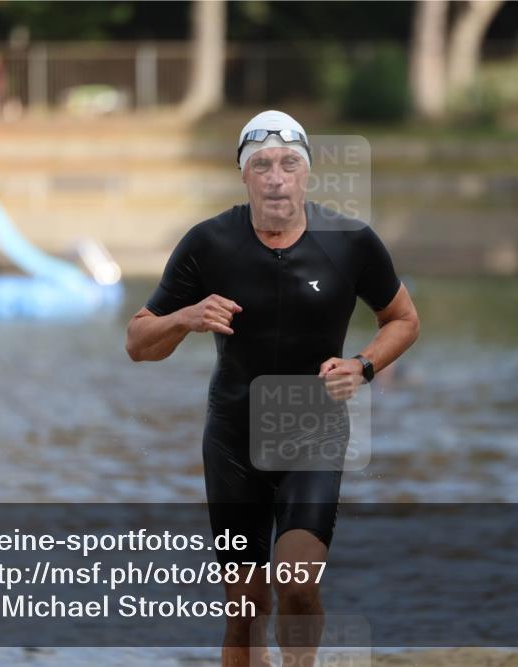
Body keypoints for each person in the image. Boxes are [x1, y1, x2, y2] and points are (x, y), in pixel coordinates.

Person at [126, 110, 419, 666]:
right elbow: (139, 342)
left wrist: (364, 365)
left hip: (314, 432)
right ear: (244, 175)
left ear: (307, 174)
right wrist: (185, 317)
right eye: (261, 164)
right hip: (234, 438)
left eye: (288, 164)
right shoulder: (209, 243)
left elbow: (403, 319)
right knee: (244, 610)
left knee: (297, 585)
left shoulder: (350, 242)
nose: (276, 176)